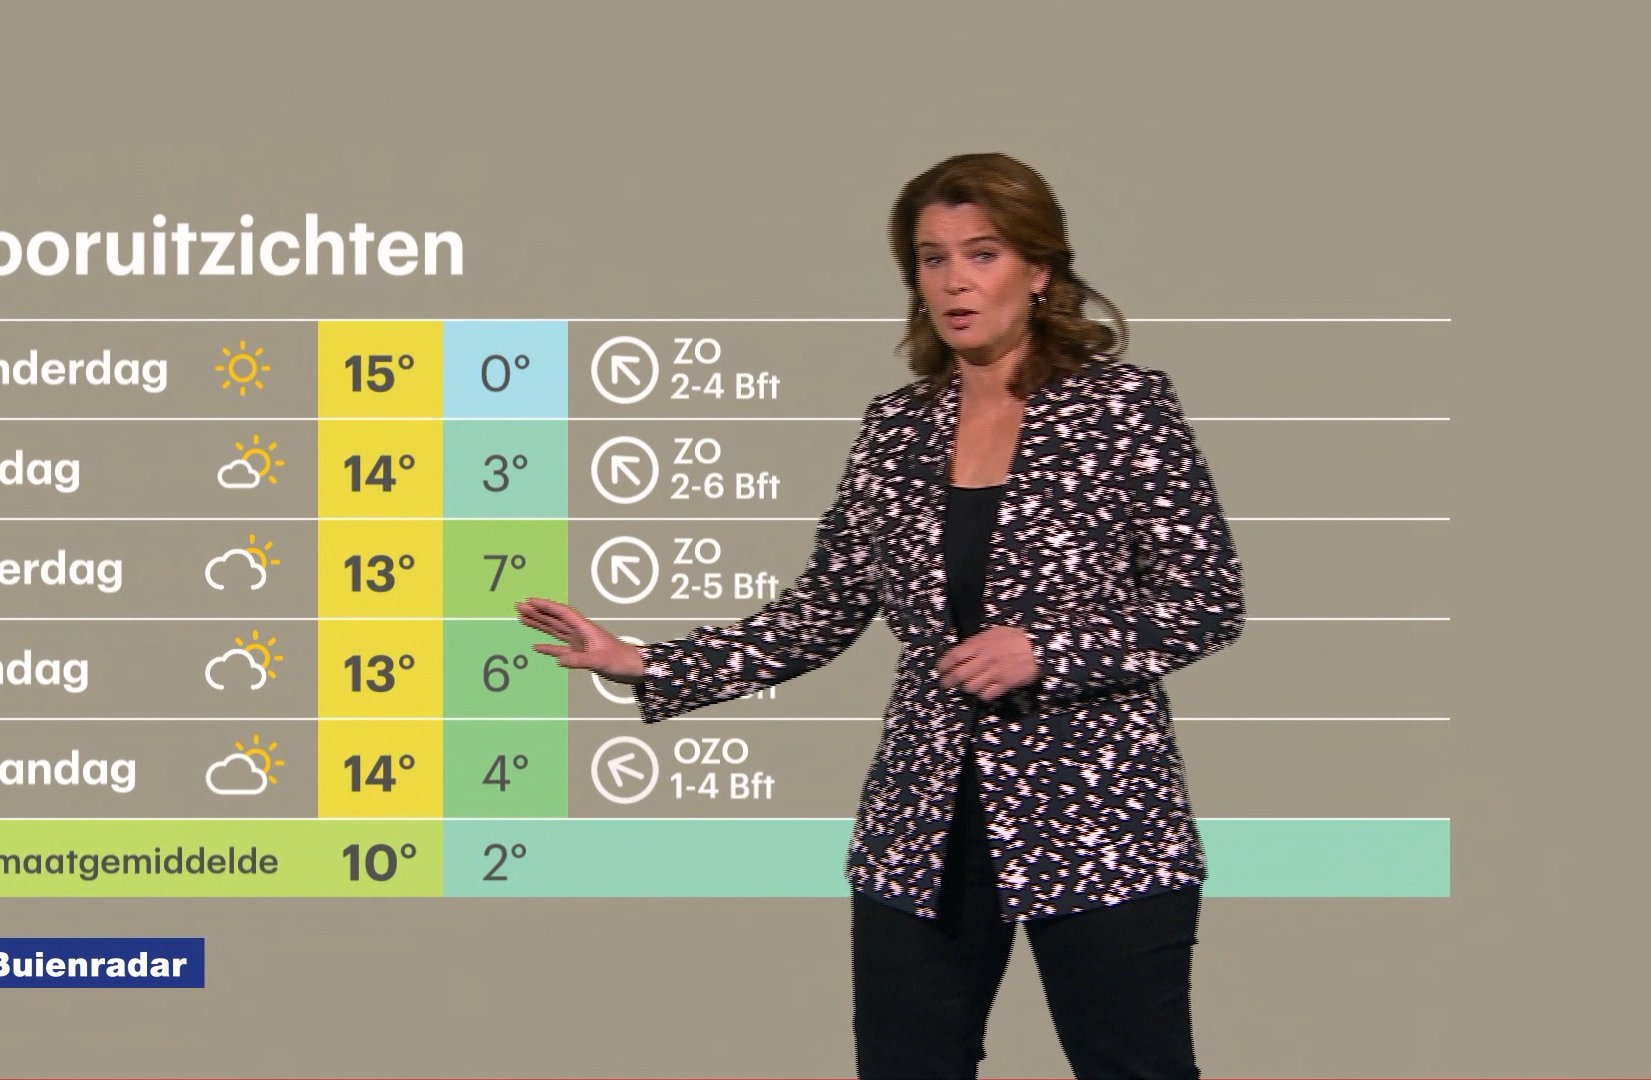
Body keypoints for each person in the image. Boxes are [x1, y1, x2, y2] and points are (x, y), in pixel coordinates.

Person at [516, 152, 1245, 1080]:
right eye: (933, 259)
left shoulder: (1125, 408)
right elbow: (821, 610)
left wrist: (1046, 651)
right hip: (922, 822)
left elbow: (1206, 601)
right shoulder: (895, 429)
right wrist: (647, 662)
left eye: (982, 254)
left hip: (1099, 815)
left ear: (1039, 269)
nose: (955, 281)